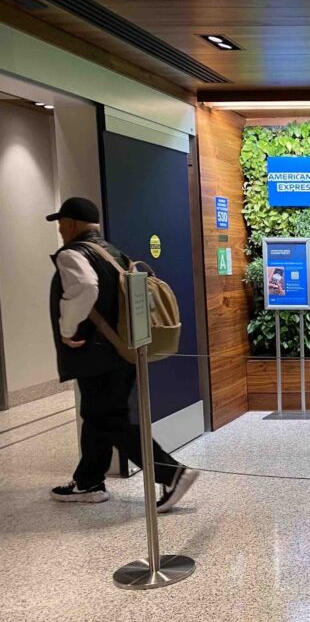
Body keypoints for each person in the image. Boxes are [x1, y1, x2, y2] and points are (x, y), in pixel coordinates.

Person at [46, 197, 198, 512]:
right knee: (98, 415)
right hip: (123, 351)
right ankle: (89, 481)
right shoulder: (113, 253)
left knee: (108, 419)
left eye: (61, 223)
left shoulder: (72, 254)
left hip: (96, 354)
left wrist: (66, 329)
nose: (60, 230)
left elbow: (86, 288)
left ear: (72, 224)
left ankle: (171, 473)